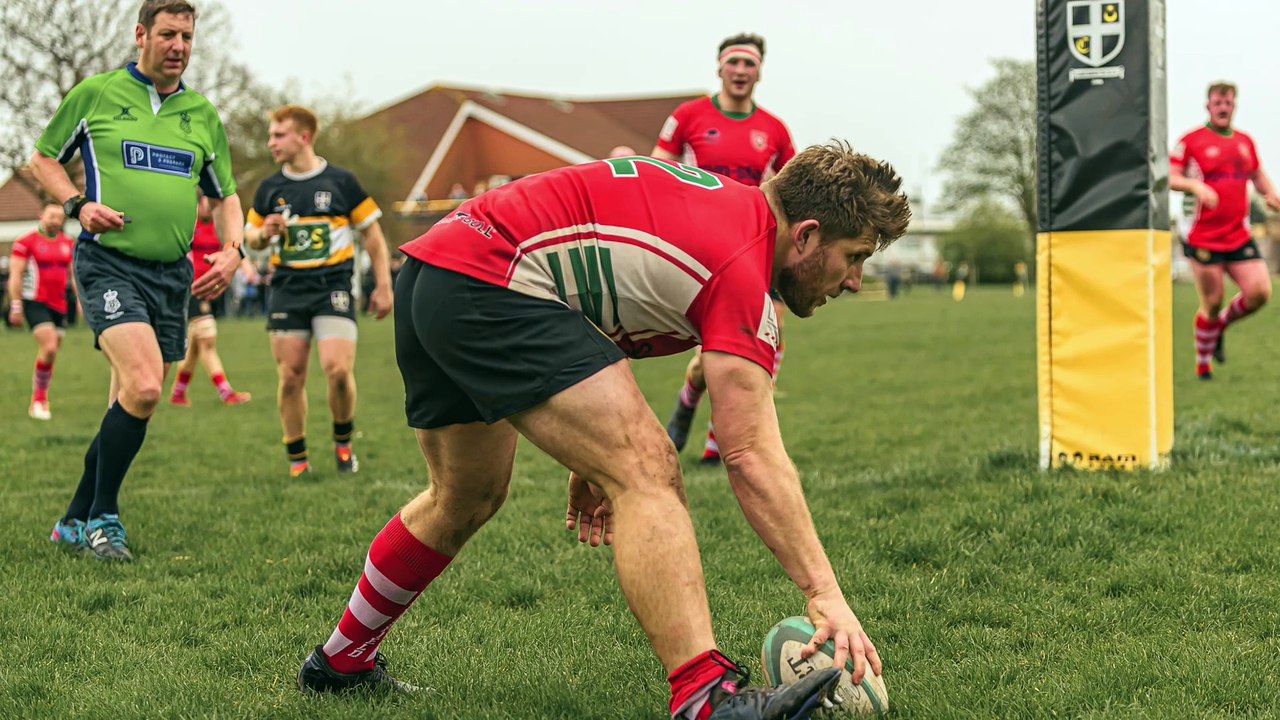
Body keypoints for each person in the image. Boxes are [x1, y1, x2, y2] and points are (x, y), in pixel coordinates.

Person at [294, 143, 910, 720]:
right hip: (491, 280)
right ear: (805, 236)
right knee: (647, 470)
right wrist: (825, 592)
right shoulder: (743, 262)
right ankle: (705, 697)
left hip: (438, 271)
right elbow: (749, 453)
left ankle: (339, 660)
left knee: (464, 496)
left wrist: (587, 453)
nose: (853, 280)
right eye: (853, 256)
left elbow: (597, 266)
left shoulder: (724, 211)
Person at [31, 0, 245, 561]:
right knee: (148, 386)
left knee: (130, 398)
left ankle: (73, 520)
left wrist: (233, 249)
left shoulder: (202, 114)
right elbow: (41, 160)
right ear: (141, 34)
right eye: (169, 34)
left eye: (188, 38)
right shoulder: (96, 94)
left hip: (173, 275)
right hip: (108, 262)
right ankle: (104, 519)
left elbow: (226, 196)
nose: (179, 46)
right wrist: (78, 204)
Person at [652, 33, 797, 466]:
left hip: (757, 250)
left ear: (759, 72)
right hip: (703, 249)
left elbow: (794, 190)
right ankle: (688, 397)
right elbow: (657, 173)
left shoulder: (773, 130)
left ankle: (720, 443)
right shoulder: (688, 116)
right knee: (707, 356)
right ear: (719, 67)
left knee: (764, 344)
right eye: (733, 62)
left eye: (748, 64)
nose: (740, 70)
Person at [244, 105, 393, 478]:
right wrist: (264, 234)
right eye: (270, 135)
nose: (271, 142)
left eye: (279, 135)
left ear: (304, 137)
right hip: (287, 289)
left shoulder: (342, 182)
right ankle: (298, 460)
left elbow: (373, 237)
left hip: (333, 288)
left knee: (338, 369)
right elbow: (250, 238)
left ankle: (343, 444)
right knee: (291, 375)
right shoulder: (269, 189)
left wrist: (384, 286)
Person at [1171, 81, 1280, 380]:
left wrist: (1271, 194)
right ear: (1208, 106)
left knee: (1259, 292)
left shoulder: (1244, 142)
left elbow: (1257, 174)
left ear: (1234, 106)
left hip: (1238, 233)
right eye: (1218, 103)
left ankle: (1220, 326)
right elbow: (1169, 177)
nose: (1223, 108)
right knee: (1213, 300)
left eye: (1228, 103)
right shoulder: (1191, 141)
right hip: (1202, 234)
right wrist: (1196, 186)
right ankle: (1203, 364)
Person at [169, 193, 252, 406]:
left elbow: (233, 249)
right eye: (204, 200)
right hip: (193, 288)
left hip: (214, 289)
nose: (208, 205)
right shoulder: (188, 224)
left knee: (197, 344)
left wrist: (245, 266)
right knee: (207, 337)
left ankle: (178, 393)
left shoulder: (219, 226)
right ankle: (226, 392)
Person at [7, 202, 77, 420]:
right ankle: (38, 401)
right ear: (41, 216)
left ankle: (42, 395)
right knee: (49, 348)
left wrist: (83, 302)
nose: (55, 221)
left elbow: (74, 275)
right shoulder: (25, 242)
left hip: (60, 304)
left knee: (52, 353)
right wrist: (16, 305)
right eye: (51, 216)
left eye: (59, 217)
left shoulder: (68, 243)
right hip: (34, 301)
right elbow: (16, 275)